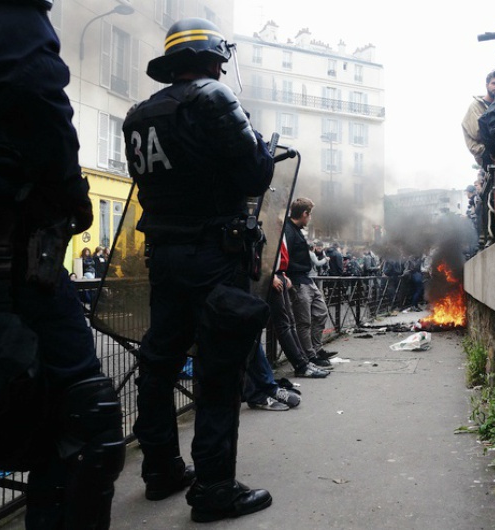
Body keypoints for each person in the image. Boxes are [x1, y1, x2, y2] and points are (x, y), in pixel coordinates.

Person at [122, 17, 275, 523]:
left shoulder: (138, 115)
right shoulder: (214, 98)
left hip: (164, 255)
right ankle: (213, 488)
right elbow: (253, 174)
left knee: (159, 360)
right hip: (214, 254)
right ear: (213, 59)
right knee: (219, 366)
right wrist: (263, 148)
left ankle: (161, 469)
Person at [0, 2, 125, 528]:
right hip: (5, 259)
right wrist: (71, 194)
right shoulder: (7, 13)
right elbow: (35, 100)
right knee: (83, 425)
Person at [285, 198, 337, 366]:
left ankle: (316, 349)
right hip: (298, 281)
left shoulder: (297, 230)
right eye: (310, 215)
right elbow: (285, 257)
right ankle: (309, 356)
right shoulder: (288, 230)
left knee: (321, 312)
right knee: (304, 321)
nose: (310, 219)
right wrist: (285, 275)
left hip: (307, 279)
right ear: (304, 214)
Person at [461, 71, 495, 167]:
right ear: (487, 85)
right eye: (494, 83)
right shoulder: (475, 106)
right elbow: (478, 133)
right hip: (484, 152)